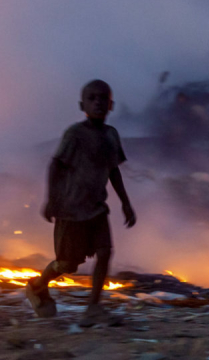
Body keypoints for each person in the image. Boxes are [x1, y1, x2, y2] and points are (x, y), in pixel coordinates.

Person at [26, 79, 136, 326]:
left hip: (96, 207)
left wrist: (125, 203)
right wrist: (51, 199)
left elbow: (113, 170)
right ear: (81, 104)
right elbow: (56, 165)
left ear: (111, 105)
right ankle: (36, 286)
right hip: (71, 209)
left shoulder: (111, 135)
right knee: (67, 264)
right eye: (92, 98)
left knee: (105, 252)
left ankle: (93, 308)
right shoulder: (75, 135)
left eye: (103, 98)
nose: (98, 102)